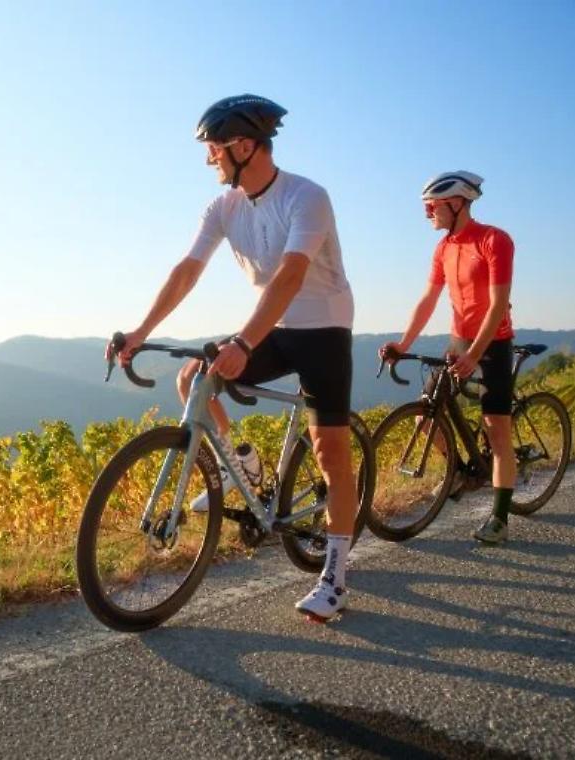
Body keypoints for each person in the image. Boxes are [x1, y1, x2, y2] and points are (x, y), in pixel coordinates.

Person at [108, 94, 357, 620]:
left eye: (214, 149)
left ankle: (335, 574)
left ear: (244, 146)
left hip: (323, 327)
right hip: (273, 323)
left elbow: (291, 275)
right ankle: (243, 461)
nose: (209, 160)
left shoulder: (306, 197)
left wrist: (243, 342)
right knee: (194, 376)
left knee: (329, 451)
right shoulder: (224, 206)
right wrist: (139, 331)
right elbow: (187, 270)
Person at [379, 171, 516, 544]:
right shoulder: (443, 248)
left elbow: (498, 304)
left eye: (432, 206)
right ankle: (457, 468)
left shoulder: (494, 240)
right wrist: (403, 344)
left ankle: (500, 519)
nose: (428, 214)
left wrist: (475, 354)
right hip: (459, 342)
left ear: (457, 204)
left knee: (496, 429)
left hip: (493, 344)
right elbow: (428, 300)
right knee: (427, 414)